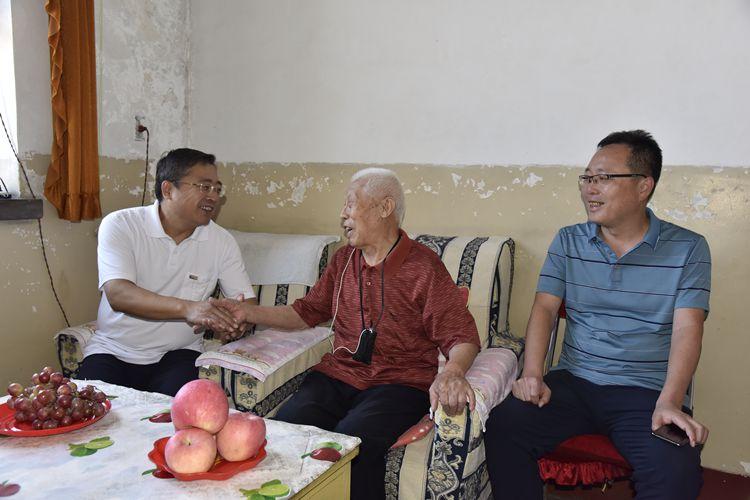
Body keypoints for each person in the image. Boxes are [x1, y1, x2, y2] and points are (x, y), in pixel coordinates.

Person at [215, 168, 481, 500]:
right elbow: (305, 312)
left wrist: (453, 372)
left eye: (351, 204)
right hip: (338, 375)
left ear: (385, 208)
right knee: (290, 428)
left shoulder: (423, 267)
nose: (343, 214)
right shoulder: (343, 261)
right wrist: (246, 312)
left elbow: (461, 335)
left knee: (354, 442)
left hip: (398, 383)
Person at [485, 130, 711, 499]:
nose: (590, 188)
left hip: (647, 391)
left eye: (603, 178)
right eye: (587, 178)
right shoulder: (568, 241)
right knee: (505, 424)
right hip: (574, 381)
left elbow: (688, 327)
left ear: (643, 186)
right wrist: (532, 374)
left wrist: (670, 400)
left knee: (675, 468)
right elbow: (545, 307)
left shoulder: (689, 249)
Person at [79, 148, 255, 396]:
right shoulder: (121, 225)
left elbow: (246, 303)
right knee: (91, 413)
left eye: (217, 189)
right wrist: (190, 309)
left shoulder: (221, 241)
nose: (214, 197)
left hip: (179, 354)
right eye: (204, 187)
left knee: (177, 414)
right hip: (113, 350)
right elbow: (119, 294)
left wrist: (236, 321)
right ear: (168, 189)